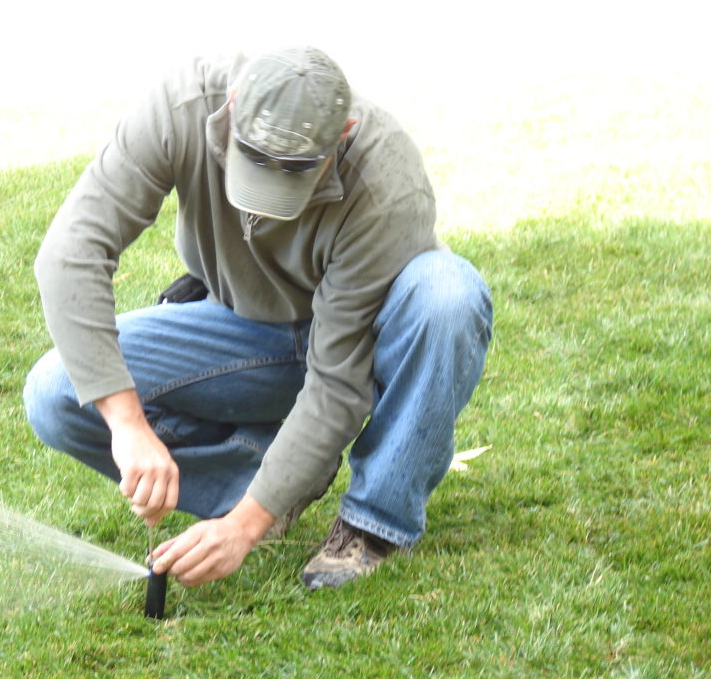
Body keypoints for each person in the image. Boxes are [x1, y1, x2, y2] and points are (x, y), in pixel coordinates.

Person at [24, 47, 492, 590]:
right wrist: (128, 425)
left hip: (357, 341)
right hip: (246, 330)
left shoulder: (387, 183)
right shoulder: (180, 108)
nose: (266, 197)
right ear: (234, 103)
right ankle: (268, 478)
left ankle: (373, 523)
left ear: (342, 133)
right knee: (56, 389)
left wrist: (244, 531)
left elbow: (337, 383)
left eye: (294, 172)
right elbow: (68, 255)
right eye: (252, 160)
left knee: (448, 295)